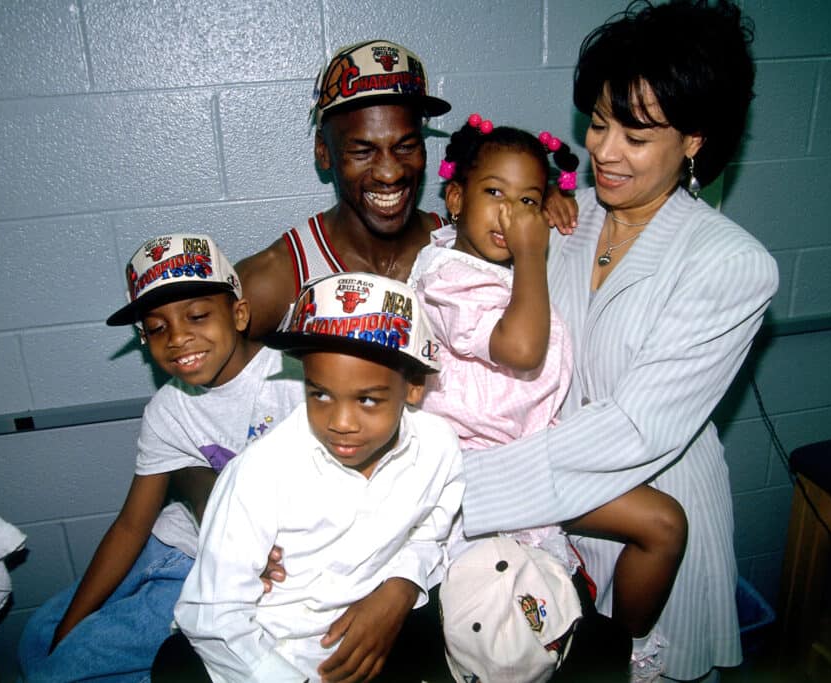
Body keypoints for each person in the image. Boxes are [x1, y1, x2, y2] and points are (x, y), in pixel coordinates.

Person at [458, 2, 778, 681]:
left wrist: (464, 487)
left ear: (695, 139)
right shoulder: (563, 216)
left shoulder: (730, 264)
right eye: (600, 123)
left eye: (635, 135)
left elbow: (637, 426)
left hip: (650, 518)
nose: (604, 150)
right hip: (552, 521)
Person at [410, 115, 685, 681]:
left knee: (663, 525)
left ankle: (623, 652)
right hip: (480, 473)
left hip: (531, 456)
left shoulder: (488, 259)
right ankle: (607, 655)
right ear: (455, 198)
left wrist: (555, 209)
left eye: (528, 200)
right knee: (505, 629)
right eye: (494, 194)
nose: (512, 214)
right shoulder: (446, 276)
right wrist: (532, 251)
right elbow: (522, 348)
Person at [17, 234, 303, 682]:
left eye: (197, 315)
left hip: (212, 569)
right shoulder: (168, 408)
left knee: (69, 666)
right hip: (171, 544)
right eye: (156, 327)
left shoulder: (297, 379)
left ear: (239, 313)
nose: (178, 337)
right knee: (40, 634)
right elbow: (132, 525)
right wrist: (67, 631)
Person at [173, 272, 463, 683]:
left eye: (367, 400)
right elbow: (214, 615)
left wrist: (400, 584)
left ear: (413, 388)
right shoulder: (260, 473)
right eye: (320, 394)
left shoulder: (438, 447)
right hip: (266, 655)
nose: (341, 423)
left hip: (368, 645)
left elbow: (432, 527)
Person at [234, 39, 451, 339]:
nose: (390, 173)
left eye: (406, 147)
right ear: (324, 153)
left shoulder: (462, 250)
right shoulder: (278, 277)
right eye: (363, 152)